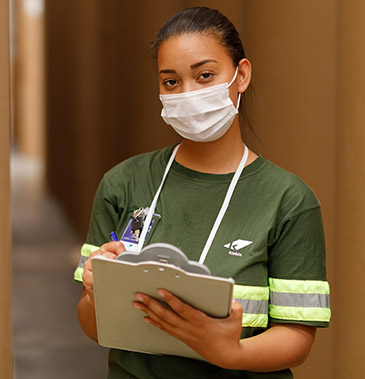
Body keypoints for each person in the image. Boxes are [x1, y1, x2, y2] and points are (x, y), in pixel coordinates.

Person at [73, 6, 330, 379]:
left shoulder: (288, 200)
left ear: (240, 75)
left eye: (205, 75)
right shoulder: (123, 183)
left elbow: (297, 336)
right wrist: (97, 293)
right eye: (171, 82)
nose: (187, 94)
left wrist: (232, 353)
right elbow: (95, 328)